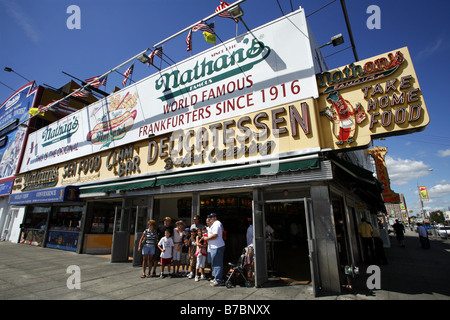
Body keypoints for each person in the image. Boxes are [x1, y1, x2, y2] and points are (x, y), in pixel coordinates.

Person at [205, 213, 225, 286]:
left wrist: (207, 238)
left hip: (217, 246)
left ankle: (218, 280)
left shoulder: (217, 224)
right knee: (215, 263)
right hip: (214, 246)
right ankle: (216, 278)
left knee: (217, 264)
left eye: (212, 217)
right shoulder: (214, 224)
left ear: (215, 218)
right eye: (210, 217)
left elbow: (215, 235)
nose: (210, 219)